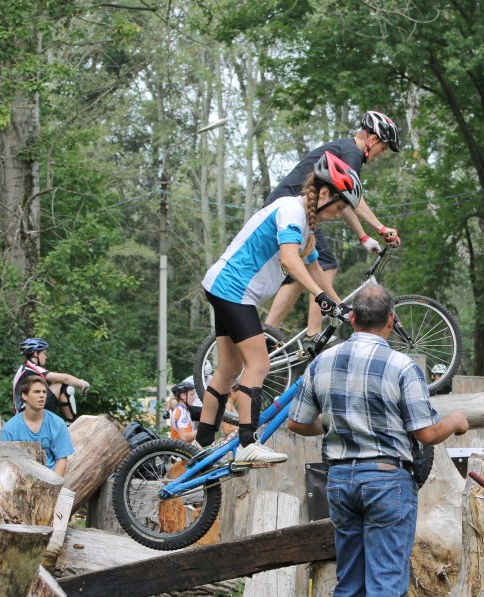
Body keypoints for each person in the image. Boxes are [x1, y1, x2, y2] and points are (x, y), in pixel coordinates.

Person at [287, 285, 469, 596]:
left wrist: (336, 423)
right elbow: (425, 434)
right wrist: (453, 421)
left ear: (353, 318)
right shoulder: (402, 366)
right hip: (387, 481)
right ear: (390, 320)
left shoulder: (322, 362)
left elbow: (297, 422)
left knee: (350, 583)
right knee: (385, 583)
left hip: (341, 480)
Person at [198, 150, 363, 465]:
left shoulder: (305, 225)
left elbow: (314, 270)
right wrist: (319, 296)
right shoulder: (291, 210)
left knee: (229, 369)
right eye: (339, 206)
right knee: (258, 365)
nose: (339, 213)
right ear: (325, 193)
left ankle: (201, 447)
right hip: (234, 290)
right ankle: (247, 443)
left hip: (226, 288)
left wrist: (340, 306)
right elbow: (289, 259)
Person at [263, 111, 402, 339]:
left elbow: (344, 201)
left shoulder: (346, 150)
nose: (380, 154)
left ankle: (268, 333)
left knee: (301, 272)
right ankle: (314, 334)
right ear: (373, 139)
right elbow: (351, 199)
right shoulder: (352, 153)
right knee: (325, 264)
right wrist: (380, 227)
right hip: (292, 210)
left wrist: (363, 237)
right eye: (383, 148)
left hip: (290, 209)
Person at [1, 375, 75, 475]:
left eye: (44, 392)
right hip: (20, 481)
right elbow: (6, 464)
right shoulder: (9, 429)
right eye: (37, 392)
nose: (42, 395)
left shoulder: (57, 424)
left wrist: (53, 487)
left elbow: (61, 459)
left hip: (50, 479)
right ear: (25, 395)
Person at [12, 337, 89, 423]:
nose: (45, 357)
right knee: (64, 387)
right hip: (26, 412)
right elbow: (65, 378)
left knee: (52, 386)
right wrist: (82, 385)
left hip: (23, 413)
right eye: (44, 353)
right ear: (35, 353)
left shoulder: (26, 368)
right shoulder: (30, 368)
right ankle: (72, 424)